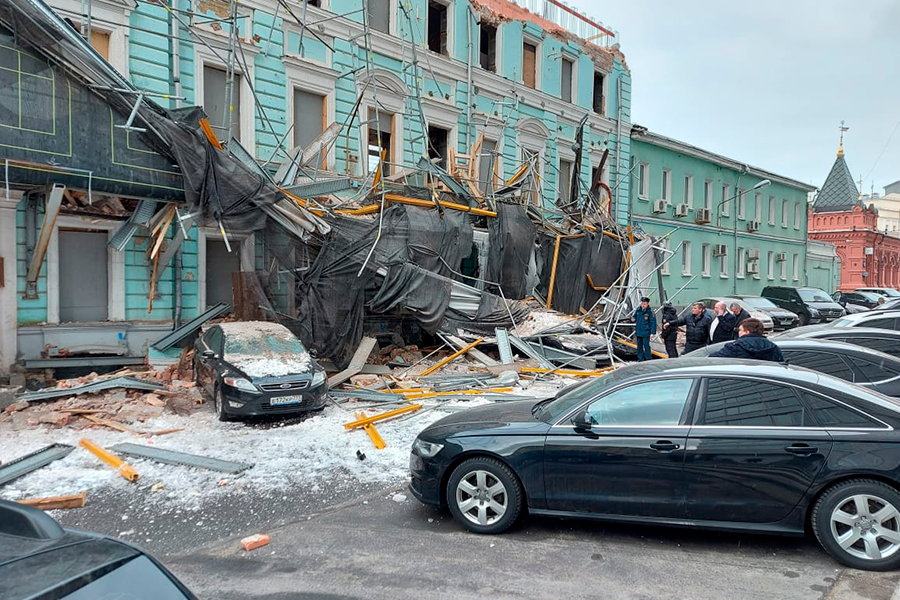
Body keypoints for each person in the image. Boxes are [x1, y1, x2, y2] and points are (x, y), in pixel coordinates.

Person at [709, 318, 784, 362]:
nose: (738, 332)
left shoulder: (735, 347)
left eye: (740, 330)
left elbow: (712, 359)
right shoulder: (773, 348)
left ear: (747, 332)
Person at [631, 296, 657, 362]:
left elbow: (653, 323)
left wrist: (652, 333)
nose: (643, 305)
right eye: (642, 304)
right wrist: (632, 319)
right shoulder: (638, 310)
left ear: (647, 304)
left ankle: (648, 359)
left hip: (646, 332)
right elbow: (634, 318)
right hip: (639, 331)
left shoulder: (650, 312)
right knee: (639, 347)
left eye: (644, 304)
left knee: (646, 346)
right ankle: (640, 359)